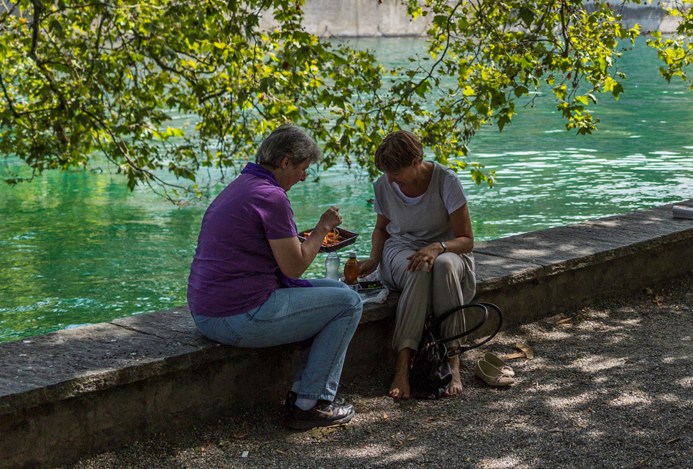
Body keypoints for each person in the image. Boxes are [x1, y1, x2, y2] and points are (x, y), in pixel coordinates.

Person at [187, 125, 364, 430]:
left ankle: (301, 394)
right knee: (349, 302)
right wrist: (322, 228)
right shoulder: (272, 197)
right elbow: (294, 269)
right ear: (285, 162)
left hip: (206, 312)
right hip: (236, 317)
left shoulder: (243, 185)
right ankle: (310, 404)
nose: (304, 177)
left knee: (335, 291)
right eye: (303, 168)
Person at [354, 130, 476, 399]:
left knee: (441, 265)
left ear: (415, 162)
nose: (390, 179)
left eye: (395, 172)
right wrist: (374, 259)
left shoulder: (446, 181)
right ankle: (402, 366)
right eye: (386, 172)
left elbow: (466, 240)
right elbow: (381, 229)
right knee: (418, 266)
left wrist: (438, 247)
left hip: (448, 251)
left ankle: (453, 362)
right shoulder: (384, 184)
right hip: (403, 249)